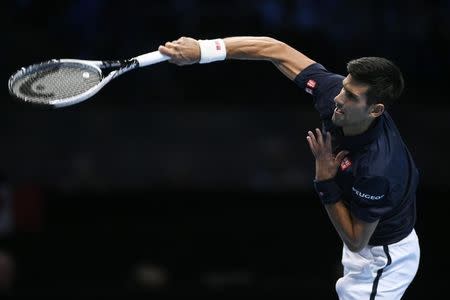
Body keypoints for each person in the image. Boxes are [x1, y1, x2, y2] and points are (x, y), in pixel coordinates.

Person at [158, 36, 420, 299]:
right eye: (343, 87)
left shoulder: (379, 168)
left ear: (375, 110)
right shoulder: (335, 95)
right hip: (367, 232)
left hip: (382, 259)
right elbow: (275, 50)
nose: (338, 98)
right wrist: (203, 50)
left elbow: (356, 240)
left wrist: (326, 182)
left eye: (351, 96)